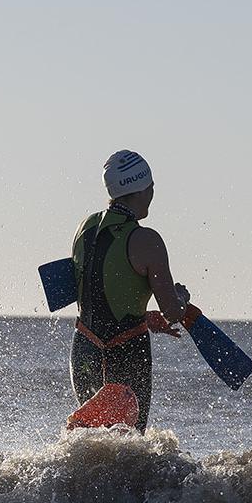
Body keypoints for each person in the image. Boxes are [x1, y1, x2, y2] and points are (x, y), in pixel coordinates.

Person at [70, 150, 189, 432]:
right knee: (129, 443)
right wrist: (181, 298)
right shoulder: (146, 240)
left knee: (90, 441)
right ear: (145, 188)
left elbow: (99, 293)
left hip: (84, 348)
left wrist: (145, 315)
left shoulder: (84, 228)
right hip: (126, 351)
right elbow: (172, 311)